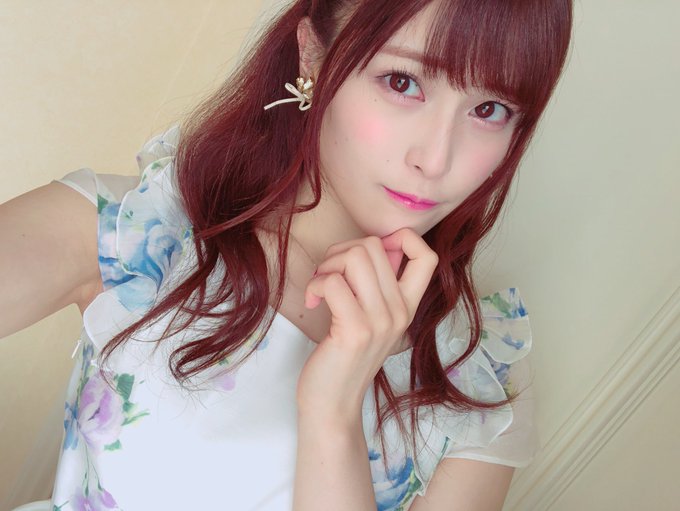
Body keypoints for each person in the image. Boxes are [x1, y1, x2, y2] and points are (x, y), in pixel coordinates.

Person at [1, 0, 572, 509]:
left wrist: (333, 415)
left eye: (490, 109)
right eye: (402, 82)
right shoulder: (142, 232)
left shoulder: (479, 377)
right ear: (313, 56)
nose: (436, 159)